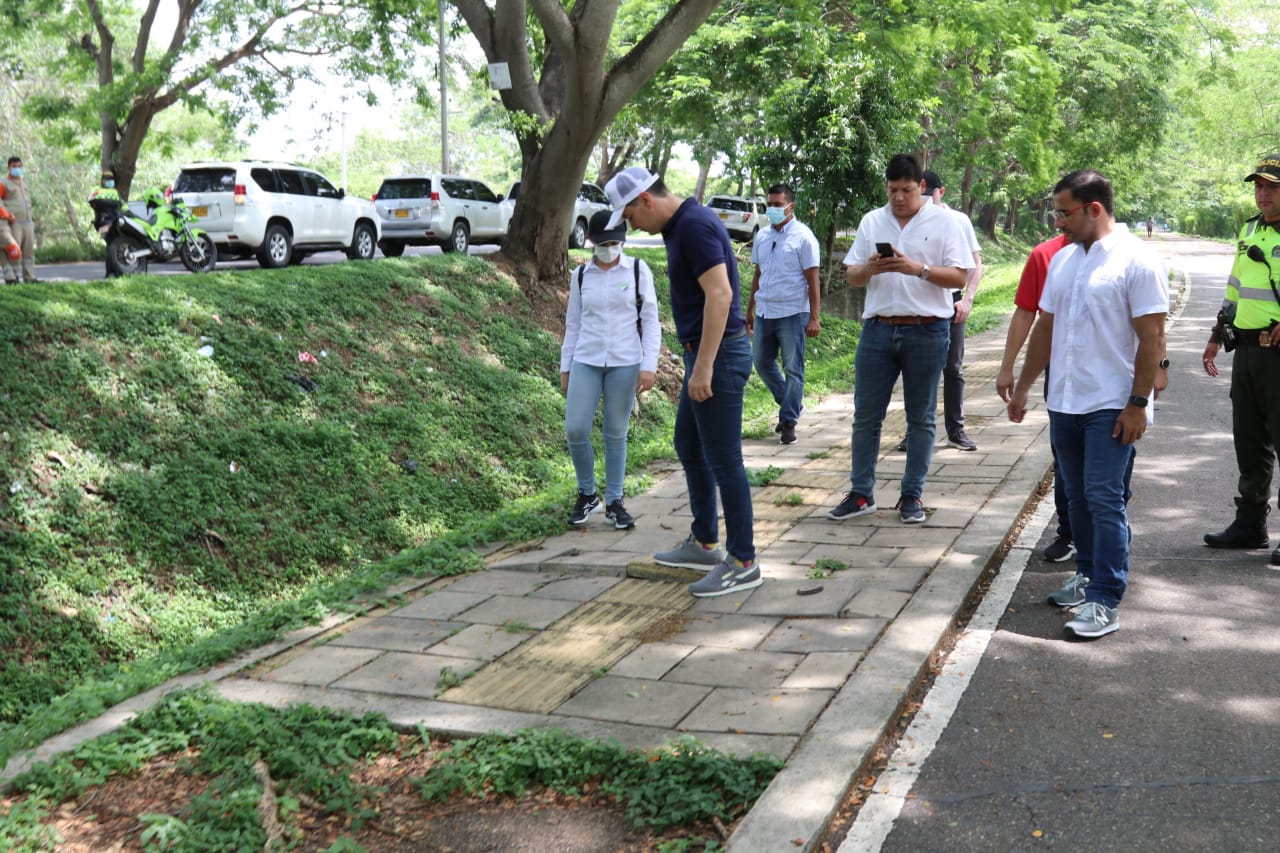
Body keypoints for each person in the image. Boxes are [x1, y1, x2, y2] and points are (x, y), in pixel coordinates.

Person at [1007, 169, 1168, 639]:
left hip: (1112, 402)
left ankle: (1104, 599)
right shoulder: (1063, 262)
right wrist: (1023, 386)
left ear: (1094, 208)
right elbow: (1046, 328)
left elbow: (1152, 337)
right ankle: (1088, 575)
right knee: (1075, 498)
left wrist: (1137, 403)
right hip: (1066, 400)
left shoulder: (1137, 260)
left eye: (1065, 212)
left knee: (1103, 498)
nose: (1059, 222)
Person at [604, 166, 760, 597]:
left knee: (726, 460)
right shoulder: (681, 225)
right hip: (706, 353)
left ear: (646, 201)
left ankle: (743, 560)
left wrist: (705, 366)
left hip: (719, 355)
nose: (631, 225)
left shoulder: (693, 226)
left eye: (630, 216)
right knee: (690, 446)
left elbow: (721, 294)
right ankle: (706, 541)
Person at [828, 154, 974, 525]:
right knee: (866, 416)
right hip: (877, 329)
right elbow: (852, 277)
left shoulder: (947, 222)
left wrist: (918, 269)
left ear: (921, 187)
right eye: (892, 190)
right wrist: (869, 268)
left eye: (906, 190)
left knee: (921, 418)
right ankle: (861, 494)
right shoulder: (872, 220)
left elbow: (959, 277)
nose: (898, 198)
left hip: (927, 330)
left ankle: (912, 495)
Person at [1202, 153, 1280, 565]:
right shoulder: (1249, 229)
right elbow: (1234, 289)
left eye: (1271, 186)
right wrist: (1217, 335)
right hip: (1247, 352)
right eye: (1258, 185)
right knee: (1250, 443)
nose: (1262, 193)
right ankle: (1251, 524)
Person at [560, 210, 660, 530]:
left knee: (615, 433)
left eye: (616, 241)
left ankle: (615, 501)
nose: (610, 248)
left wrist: (648, 366)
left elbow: (650, 321)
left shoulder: (637, 271)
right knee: (576, 428)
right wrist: (566, 368)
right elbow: (573, 324)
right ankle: (588, 493)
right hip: (586, 359)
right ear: (591, 242)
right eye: (603, 243)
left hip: (625, 360)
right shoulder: (580, 276)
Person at [998, 234, 1076, 561]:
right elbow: (1029, 314)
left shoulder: (1127, 257)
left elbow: (1151, 328)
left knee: (1108, 464)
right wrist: (1009, 371)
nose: (1060, 220)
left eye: (1066, 211)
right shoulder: (1046, 255)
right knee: (1066, 457)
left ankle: (1109, 527)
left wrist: (1160, 368)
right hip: (1060, 374)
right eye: (1057, 212)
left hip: (1113, 383)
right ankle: (1070, 532)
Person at [894, 170, 983, 452]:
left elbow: (974, 264)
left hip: (951, 303)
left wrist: (967, 299)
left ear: (939, 192)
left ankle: (956, 430)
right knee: (917, 371)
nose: (922, 200)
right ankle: (916, 431)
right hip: (918, 307)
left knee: (952, 368)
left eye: (926, 193)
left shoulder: (957, 220)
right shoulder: (906, 222)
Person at [747, 183, 821, 446]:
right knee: (762, 362)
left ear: (791, 206)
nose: (773, 209)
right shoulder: (763, 236)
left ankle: (788, 421)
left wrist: (814, 317)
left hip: (793, 312)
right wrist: (750, 311)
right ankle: (791, 404)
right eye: (770, 204)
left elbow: (813, 280)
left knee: (793, 367)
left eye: (778, 205)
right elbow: (758, 274)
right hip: (765, 310)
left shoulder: (804, 237)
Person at [0, 156, 36, 283]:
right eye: (14, 166)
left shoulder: (23, 182)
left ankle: (29, 277)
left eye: (19, 166)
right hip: (14, 223)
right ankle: (13, 278)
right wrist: (6, 214)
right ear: (8, 167)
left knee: (29, 252)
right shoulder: (3, 182)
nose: (17, 169)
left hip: (28, 222)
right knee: (14, 251)